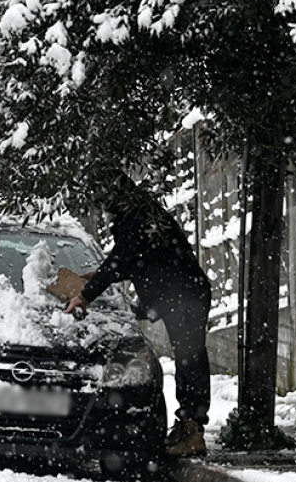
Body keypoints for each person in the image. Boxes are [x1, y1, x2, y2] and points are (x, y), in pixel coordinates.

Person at [65, 190, 212, 457]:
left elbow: (122, 258)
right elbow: (135, 258)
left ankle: (192, 430)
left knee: (190, 360)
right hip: (180, 292)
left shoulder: (137, 217)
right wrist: (100, 275)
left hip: (185, 294)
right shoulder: (139, 214)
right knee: (188, 359)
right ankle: (188, 427)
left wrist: (86, 295)